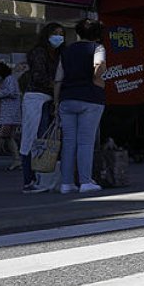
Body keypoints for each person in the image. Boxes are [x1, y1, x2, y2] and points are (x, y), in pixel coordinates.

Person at [54, 18, 107, 194]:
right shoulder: (97, 48)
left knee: (68, 142)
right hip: (90, 98)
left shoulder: (66, 51)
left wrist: (56, 101)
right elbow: (99, 65)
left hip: (67, 98)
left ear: (78, 32)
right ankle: (85, 181)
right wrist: (96, 79)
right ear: (97, 35)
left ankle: (66, 183)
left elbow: (58, 78)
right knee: (85, 141)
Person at [20, 23, 63, 192]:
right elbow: (39, 76)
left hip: (49, 98)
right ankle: (29, 179)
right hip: (36, 97)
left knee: (44, 138)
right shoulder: (39, 52)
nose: (59, 37)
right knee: (32, 137)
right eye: (56, 33)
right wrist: (57, 86)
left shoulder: (57, 54)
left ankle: (42, 177)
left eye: (61, 34)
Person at [0, 61, 22, 172]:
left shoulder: (10, 79)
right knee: (8, 138)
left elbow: (11, 92)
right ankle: (17, 160)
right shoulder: (1, 81)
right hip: (4, 114)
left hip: (8, 115)